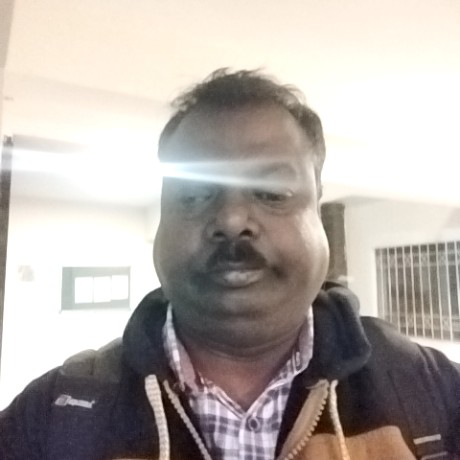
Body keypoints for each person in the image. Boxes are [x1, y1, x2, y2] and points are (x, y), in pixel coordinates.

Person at [1, 69, 460, 460]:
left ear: (317, 207)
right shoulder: (54, 418)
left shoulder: (433, 394)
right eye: (194, 194)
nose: (232, 219)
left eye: (272, 193)